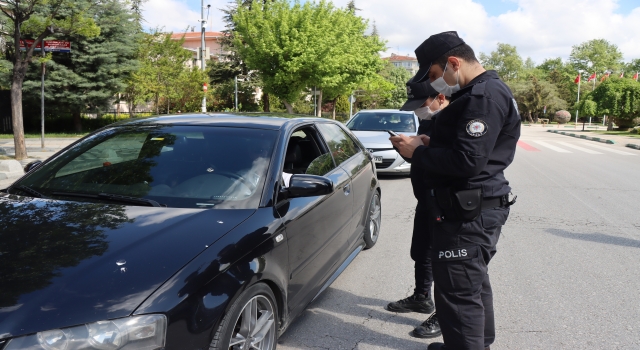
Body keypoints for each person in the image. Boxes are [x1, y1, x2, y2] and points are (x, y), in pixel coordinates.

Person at [390, 31, 520, 350]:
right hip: (470, 208)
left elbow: (468, 162)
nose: (435, 84)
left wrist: (416, 153)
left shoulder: (483, 96)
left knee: (458, 296)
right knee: (472, 286)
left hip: (468, 213)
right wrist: (429, 142)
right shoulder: (477, 92)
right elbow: (472, 150)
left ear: (453, 62)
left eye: (435, 76)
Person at [385, 78, 450, 340]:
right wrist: (404, 149)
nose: (418, 110)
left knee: (445, 260)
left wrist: (421, 149)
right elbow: (420, 158)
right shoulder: (428, 121)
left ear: (441, 98)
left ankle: (445, 315)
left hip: (446, 203)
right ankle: (422, 297)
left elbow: (452, 162)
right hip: (425, 199)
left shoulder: (454, 122)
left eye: (422, 104)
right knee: (421, 251)